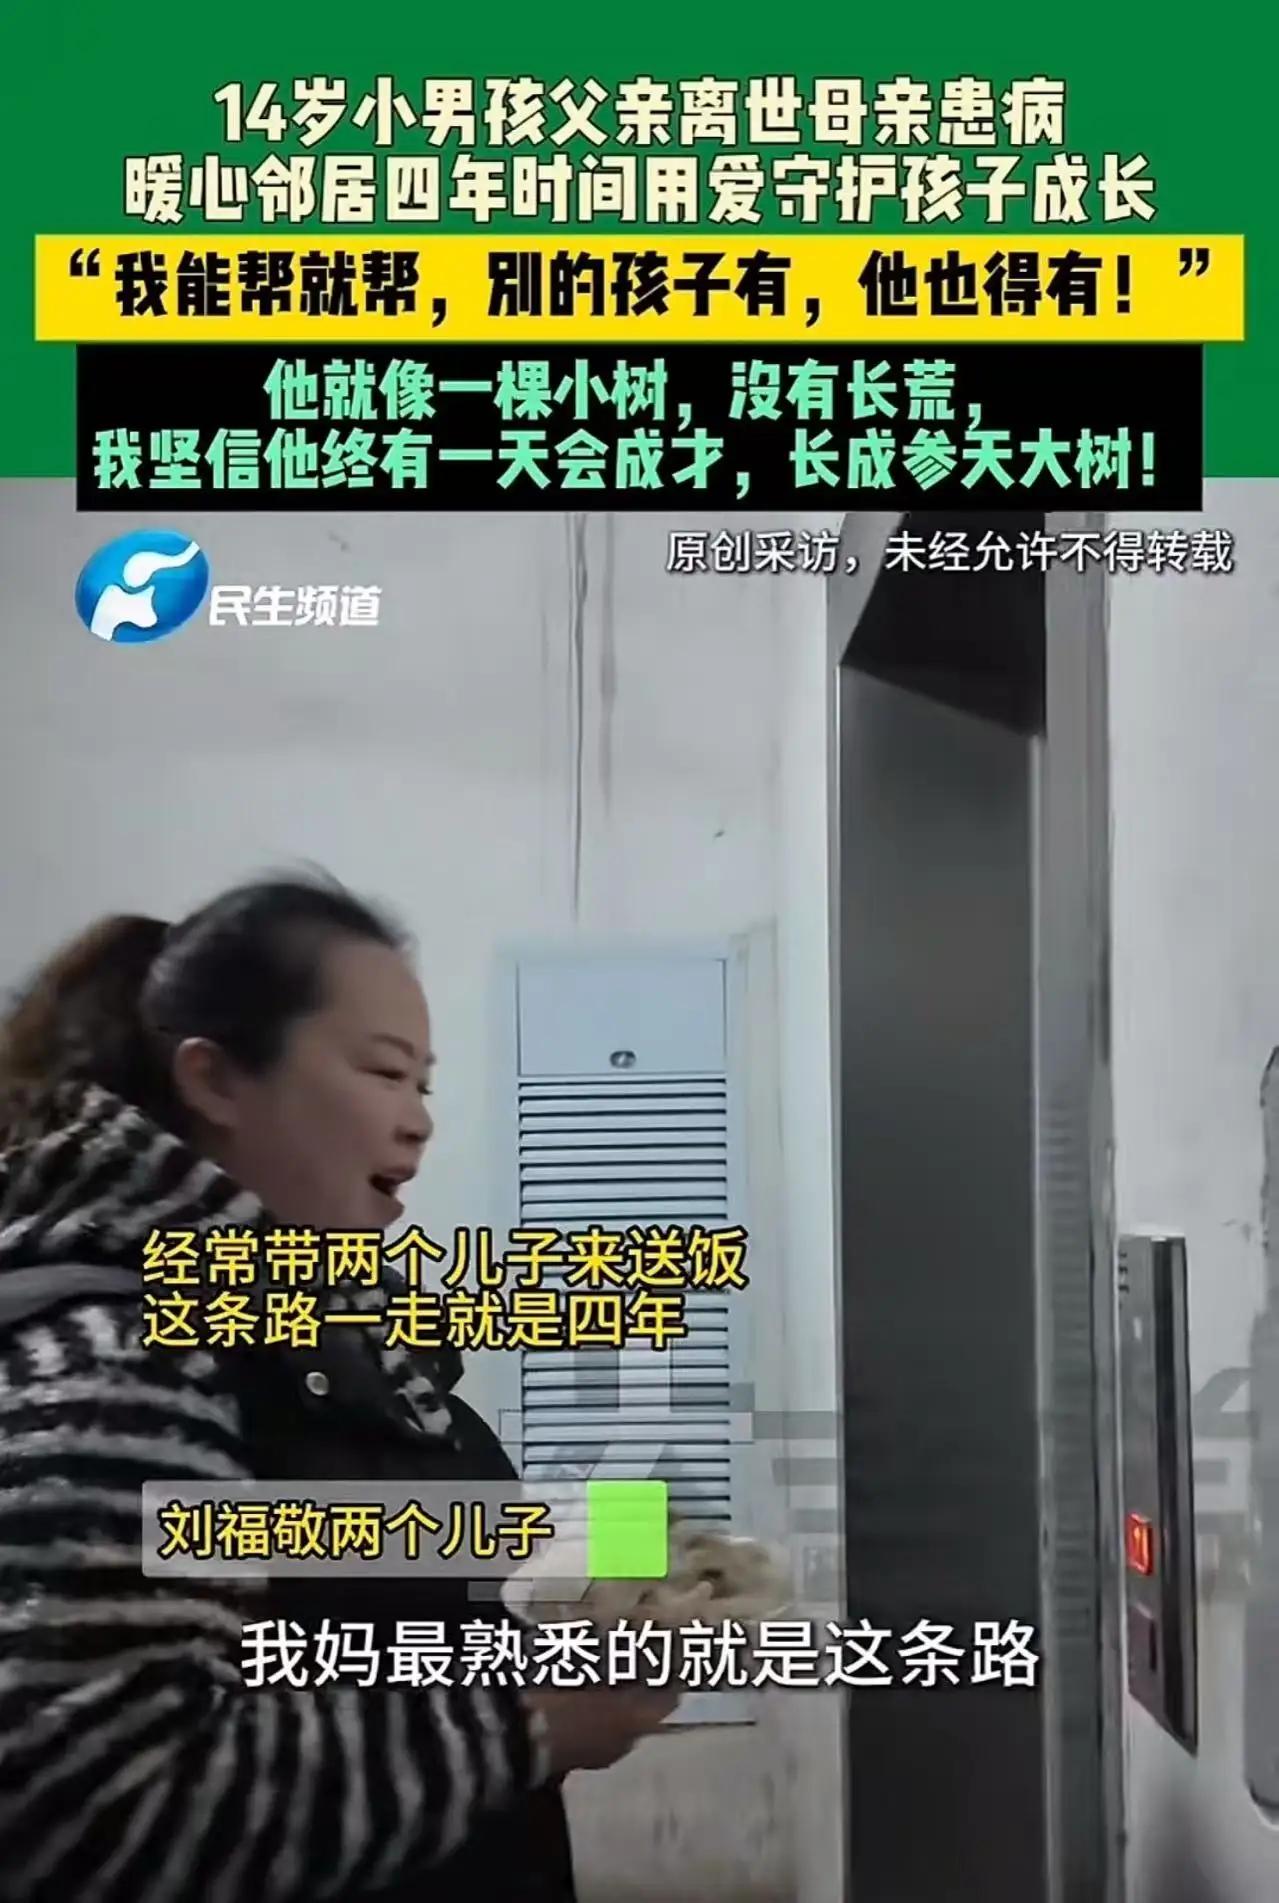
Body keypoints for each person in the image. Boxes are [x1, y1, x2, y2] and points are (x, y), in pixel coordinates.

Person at [0, 876, 680, 1903]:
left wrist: (640, 1546)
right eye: (383, 1071)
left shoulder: (321, 1323)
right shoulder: (122, 1357)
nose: (418, 1123)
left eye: (424, 1084)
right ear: (213, 1079)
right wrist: (534, 1718)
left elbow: (357, 1533)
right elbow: (102, 1812)